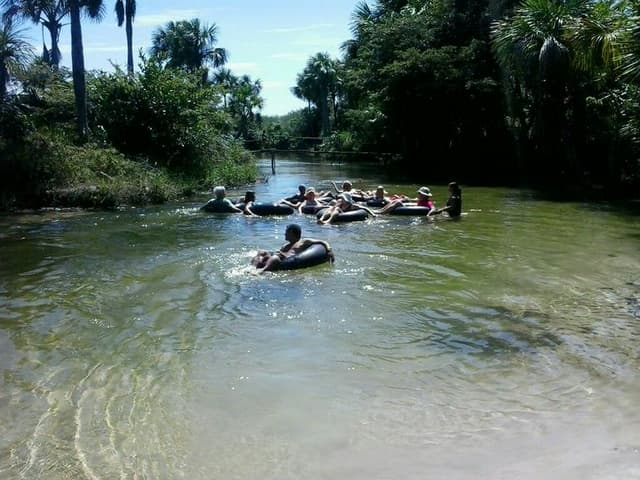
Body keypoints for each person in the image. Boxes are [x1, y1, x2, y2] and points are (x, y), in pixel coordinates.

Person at [252, 224, 335, 273]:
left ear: (292, 233)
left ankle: (262, 271)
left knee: (276, 257)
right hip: (278, 257)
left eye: (286, 232)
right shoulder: (285, 245)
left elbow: (322, 242)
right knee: (262, 252)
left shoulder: (303, 241)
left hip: (286, 260)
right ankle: (253, 268)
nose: (284, 234)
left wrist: (329, 250)